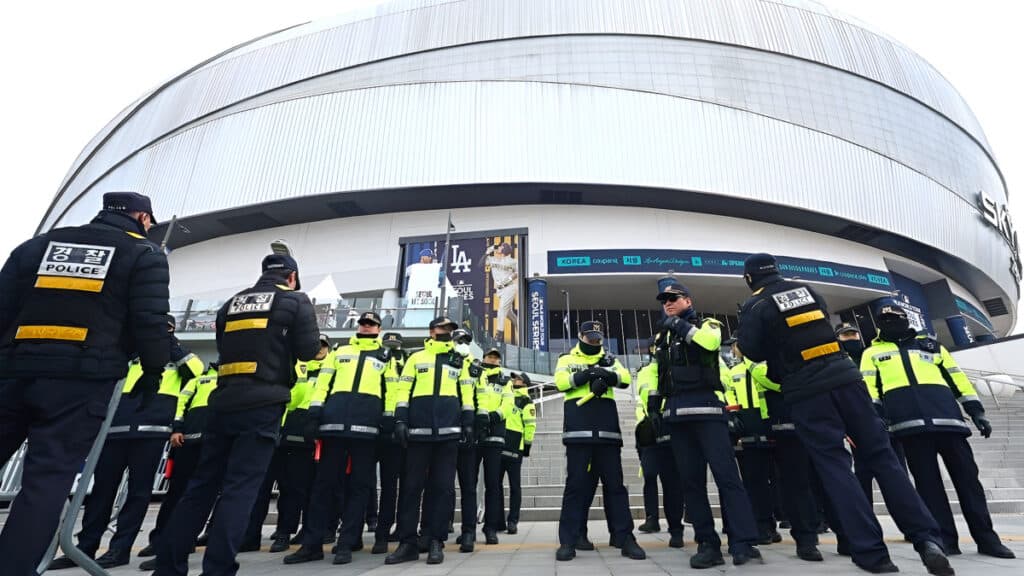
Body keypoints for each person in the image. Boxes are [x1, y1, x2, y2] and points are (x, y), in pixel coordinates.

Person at [737, 253, 953, 576]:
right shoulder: (807, 290)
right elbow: (822, 319)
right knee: (884, 458)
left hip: (807, 391)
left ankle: (873, 554)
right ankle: (927, 539)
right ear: (778, 272)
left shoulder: (755, 306)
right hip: (847, 380)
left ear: (750, 279)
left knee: (835, 465)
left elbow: (751, 350)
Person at [0, 192, 170, 576]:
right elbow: (150, 320)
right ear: (142, 217)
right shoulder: (143, 254)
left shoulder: (39, 245)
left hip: (14, 370)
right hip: (81, 381)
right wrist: (154, 369)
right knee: (46, 480)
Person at [153, 251, 319, 576]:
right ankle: (218, 569)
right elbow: (309, 351)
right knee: (240, 488)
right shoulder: (296, 300)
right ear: (292, 277)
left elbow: (221, 343)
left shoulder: (231, 303)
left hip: (223, 399)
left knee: (201, 485)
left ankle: (168, 567)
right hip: (263, 402)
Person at [861, 300, 1014, 559]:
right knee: (928, 488)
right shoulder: (871, 353)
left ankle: (987, 540)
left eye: (896, 316)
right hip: (909, 428)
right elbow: (870, 390)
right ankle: (945, 540)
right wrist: (878, 421)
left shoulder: (932, 346)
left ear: (905, 318)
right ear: (878, 325)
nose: (891, 321)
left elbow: (958, 379)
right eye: (884, 319)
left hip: (949, 423)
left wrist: (977, 412)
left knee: (969, 485)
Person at [50, 322, 203, 570]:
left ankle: (119, 549)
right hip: (116, 429)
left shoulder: (176, 355)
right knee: (101, 492)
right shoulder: (129, 354)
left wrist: (168, 343)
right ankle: (84, 548)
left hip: (151, 431)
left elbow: (197, 371)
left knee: (138, 493)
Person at [648, 283, 762, 568]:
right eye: (665, 301)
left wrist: (678, 324)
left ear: (688, 300)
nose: (668, 304)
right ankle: (707, 543)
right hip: (676, 414)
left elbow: (710, 344)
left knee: (727, 478)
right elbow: (656, 371)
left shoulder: (707, 324)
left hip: (708, 411)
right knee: (691, 484)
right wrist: (654, 406)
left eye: (673, 299)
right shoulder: (662, 337)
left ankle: (743, 542)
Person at [285, 313, 395, 565]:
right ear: (358, 326)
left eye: (371, 324)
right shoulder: (339, 352)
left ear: (378, 328)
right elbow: (322, 383)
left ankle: (346, 543)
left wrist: (388, 418)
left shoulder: (386, 357)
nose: (366, 327)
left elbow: (392, 389)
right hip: (333, 427)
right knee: (323, 485)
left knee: (359, 487)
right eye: (363, 324)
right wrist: (314, 412)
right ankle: (311, 544)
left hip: (367, 430)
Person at [553, 320, 646, 562]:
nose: (594, 341)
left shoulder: (609, 358)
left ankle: (624, 537)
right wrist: (587, 375)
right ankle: (569, 540)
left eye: (597, 337)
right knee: (576, 487)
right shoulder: (566, 358)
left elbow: (624, 378)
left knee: (615, 486)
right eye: (590, 336)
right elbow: (561, 382)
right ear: (580, 336)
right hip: (578, 432)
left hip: (607, 432)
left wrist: (605, 373)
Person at [386, 316, 475, 565]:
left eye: (450, 329)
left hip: (448, 434)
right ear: (432, 331)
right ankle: (407, 543)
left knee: (443, 489)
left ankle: (436, 541)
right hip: (418, 434)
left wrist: (468, 421)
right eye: (442, 328)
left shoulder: (460, 359)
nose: (447, 332)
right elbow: (403, 390)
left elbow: (466, 390)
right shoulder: (416, 358)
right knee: (411, 488)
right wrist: (400, 420)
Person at [246, 334, 330, 554]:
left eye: (323, 346)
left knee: (292, 489)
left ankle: (284, 533)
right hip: (276, 432)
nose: (319, 350)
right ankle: (250, 534)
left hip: (302, 438)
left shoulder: (328, 372)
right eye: (316, 345)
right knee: (260, 489)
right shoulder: (296, 366)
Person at [138, 364, 220, 570]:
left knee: (205, 495)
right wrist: (177, 428)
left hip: (216, 440)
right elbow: (181, 403)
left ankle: (183, 543)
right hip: (189, 442)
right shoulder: (199, 378)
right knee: (177, 494)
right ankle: (162, 542)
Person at [634, 338, 685, 549]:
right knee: (650, 476)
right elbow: (643, 397)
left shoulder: (676, 368)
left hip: (671, 427)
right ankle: (652, 518)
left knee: (672, 481)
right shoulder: (645, 371)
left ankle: (676, 528)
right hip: (648, 432)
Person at [474, 348, 514, 544]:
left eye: (496, 358)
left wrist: (491, 417)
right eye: (490, 356)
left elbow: (508, 405)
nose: (492, 359)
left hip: (495, 436)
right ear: (483, 358)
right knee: (469, 484)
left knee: (493, 485)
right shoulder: (474, 375)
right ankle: (468, 529)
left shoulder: (506, 381)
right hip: (474, 435)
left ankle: (490, 528)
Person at [374, 331, 408, 550]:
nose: (392, 350)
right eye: (389, 345)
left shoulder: (408, 363)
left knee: (394, 486)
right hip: (374, 428)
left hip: (398, 430)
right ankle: (379, 533)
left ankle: (390, 532)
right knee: (380, 486)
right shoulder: (376, 360)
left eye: (395, 346)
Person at [500, 372, 536, 534]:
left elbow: (530, 426)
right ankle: (497, 520)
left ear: (525, 383)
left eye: (518, 379)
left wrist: (527, 447)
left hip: (515, 448)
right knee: (495, 486)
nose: (514, 380)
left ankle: (512, 521)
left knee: (515, 487)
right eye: (514, 378)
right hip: (499, 444)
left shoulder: (526, 401)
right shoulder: (504, 393)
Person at [482, 242, 519, 343]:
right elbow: (480, 264)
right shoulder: (493, 259)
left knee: (501, 310)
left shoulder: (513, 261)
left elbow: (517, 272)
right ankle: (519, 325)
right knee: (508, 313)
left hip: (509, 287)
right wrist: (487, 252)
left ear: (505, 249)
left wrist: (509, 279)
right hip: (500, 290)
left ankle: (499, 335)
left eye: (501, 246)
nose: (499, 247)